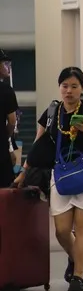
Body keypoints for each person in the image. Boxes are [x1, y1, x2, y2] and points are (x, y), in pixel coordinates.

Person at [15, 67, 83, 291]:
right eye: (65, 86)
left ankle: (78, 277)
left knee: (82, 225)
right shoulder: (52, 112)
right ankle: (76, 258)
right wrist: (24, 171)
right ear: (60, 87)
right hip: (62, 173)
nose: (69, 91)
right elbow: (39, 145)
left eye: (74, 86)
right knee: (62, 230)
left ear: (82, 88)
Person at [0, 50, 18, 188]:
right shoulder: (6, 90)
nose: (8, 67)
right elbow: (12, 121)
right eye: (5, 64)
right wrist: (6, 135)